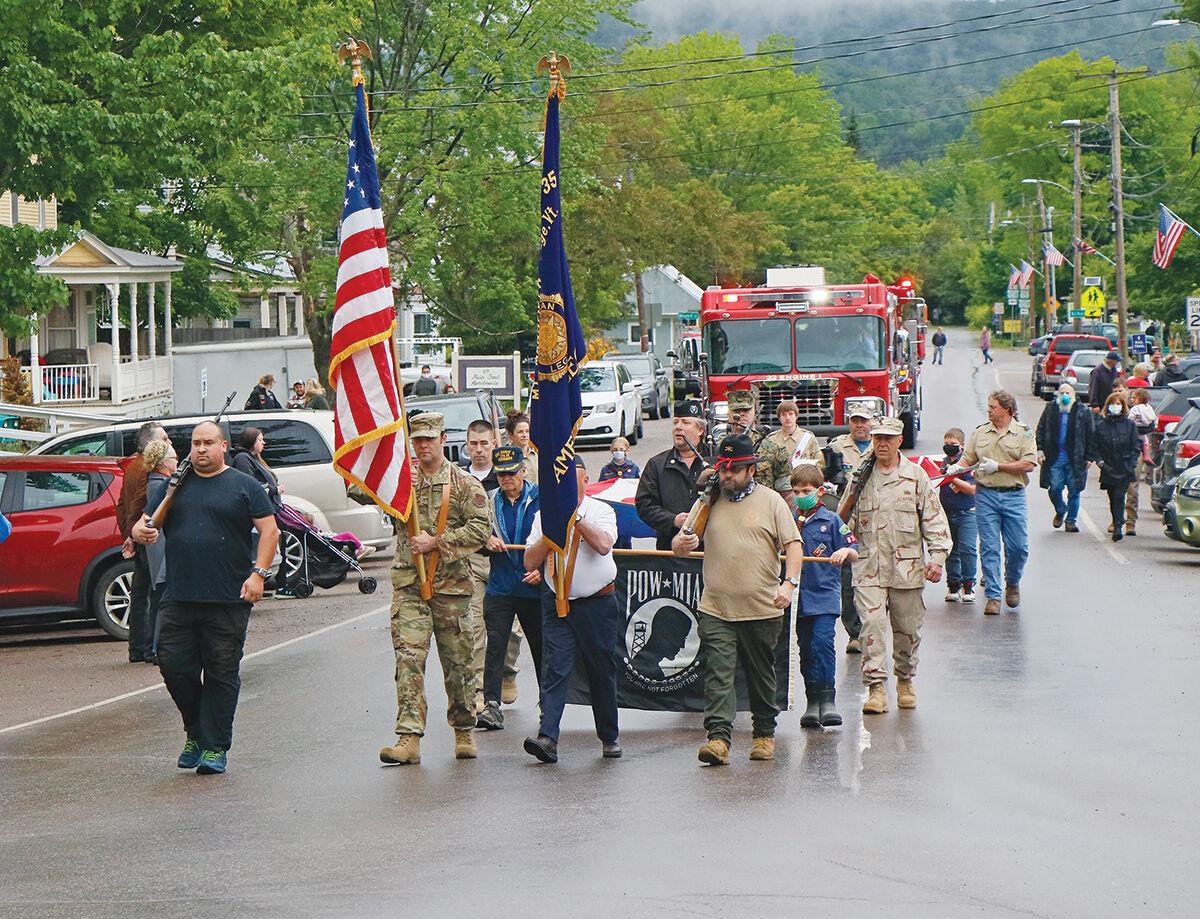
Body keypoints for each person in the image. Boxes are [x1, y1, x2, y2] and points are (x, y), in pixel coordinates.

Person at [132, 421, 279, 775]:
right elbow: (145, 523)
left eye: (208, 443)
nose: (200, 449)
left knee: (220, 671)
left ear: (223, 446)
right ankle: (196, 731)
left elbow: (270, 530)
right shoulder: (175, 485)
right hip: (179, 595)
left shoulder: (243, 486)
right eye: (195, 443)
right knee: (173, 665)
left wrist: (258, 574)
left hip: (229, 597)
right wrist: (140, 530)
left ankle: (214, 747)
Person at [672, 434, 802, 766]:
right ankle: (718, 739)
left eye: (734, 470)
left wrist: (789, 584)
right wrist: (681, 545)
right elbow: (682, 539)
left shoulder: (772, 501)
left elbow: (794, 546)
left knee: (760, 674)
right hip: (716, 607)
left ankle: (763, 734)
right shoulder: (708, 501)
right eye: (723, 469)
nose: (727, 476)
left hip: (762, 607)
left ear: (750, 471)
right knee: (718, 672)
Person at [378, 412, 489, 766]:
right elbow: (360, 486)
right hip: (410, 586)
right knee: (408, 658)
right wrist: (382, 471)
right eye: (417, 439)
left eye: (429, 438)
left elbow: (480, 529)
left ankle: (463, 728)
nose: (423, 445)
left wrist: (438, 542)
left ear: (442, 439)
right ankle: (408, 737)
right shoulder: (401, 483)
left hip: (451, 589)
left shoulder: (462, 483)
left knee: (458, 664)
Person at [848, 416, 951, 714]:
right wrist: (844, 545)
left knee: (907, 630)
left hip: (907, 570)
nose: (881, 443)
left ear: (899, 440)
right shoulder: (861, 477)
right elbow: (844, 521)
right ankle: (876, 687)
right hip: (868, 569)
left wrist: (937, 558)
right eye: (877, 437)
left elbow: (933, 520)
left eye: (888, 438)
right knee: (873, 626)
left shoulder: (915, 477)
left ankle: (905, 678)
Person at [523, 458, 622, 764]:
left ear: (585, 481)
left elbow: (604, 545)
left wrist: (575, 518)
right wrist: (550, 533)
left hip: (597, 602)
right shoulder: (544, 516)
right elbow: (529, 562)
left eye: (574, 481)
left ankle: (608, 736)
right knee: (555, 669)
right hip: (558, 602)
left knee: (600, 670)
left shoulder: (601, 510)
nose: (567, 487)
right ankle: (548, 737)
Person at [476, 447, 543, 732]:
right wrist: (486, 541)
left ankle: (548, 704)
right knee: (496, 646)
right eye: (501, 474)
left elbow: (555, 537)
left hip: (533, 585)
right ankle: (491, 705)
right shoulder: (488, 501)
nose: (507, 479)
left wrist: (544, 569)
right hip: (500, 586)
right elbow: (475, 533)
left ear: (523, 471)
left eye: (512, 473)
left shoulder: (540, 497)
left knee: (542, 649)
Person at [957, 391, 1038, 616]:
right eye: (989, 406)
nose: (989, 410)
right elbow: (968, 458)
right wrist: (957, 468)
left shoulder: (1024, 433)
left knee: (1018, 547)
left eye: (993, 407)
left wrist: (1000, 467)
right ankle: (993, 595)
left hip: (1014, 494)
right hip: (986, 495)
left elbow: (1029, 463)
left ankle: (1012, 581)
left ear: (1007, 409)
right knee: (990, 546)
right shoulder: (980, 432)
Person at [789, 463, 857, 729]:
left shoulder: (831, 521)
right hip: (796, 598)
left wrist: (843, 553)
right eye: (796, 491)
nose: (800, 495)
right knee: (805, 650)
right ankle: (812, 701)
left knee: (822, 645)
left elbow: (854, 548)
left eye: (805, 490)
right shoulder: (789, 520)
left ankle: (828, 699)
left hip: (824, 596)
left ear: (818, 492)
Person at [116, 421, 169, 664]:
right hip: (146, 537)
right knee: (152, 591)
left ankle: (137, 649)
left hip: (138, 536)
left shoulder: (132, 467)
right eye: (165, 439)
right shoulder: (146, 471)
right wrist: (133, 536)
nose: (169, 443)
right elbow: (138, 504)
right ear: (151, 445)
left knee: (139, 594)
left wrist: (128, 533)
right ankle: (149, 648)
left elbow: (122, 506)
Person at [825, 405, 876, 654]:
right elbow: (820, 477)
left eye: (864, 421)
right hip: (846, 519)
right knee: (847, 578)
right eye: (855, 421)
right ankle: (854, 633)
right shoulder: (836, 447)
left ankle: (873, 626)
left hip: (876, 520)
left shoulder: (881, 447)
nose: (859, 426)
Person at [636, 401, 710, 550]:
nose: (678, 427)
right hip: (670, 550)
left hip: (711, 550)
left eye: (685, 422)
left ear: (700, 430)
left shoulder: (716, 460)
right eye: (675, 422)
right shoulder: (657, 464)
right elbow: (644, 505)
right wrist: (673, 520)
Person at [460, 419, 498, 709]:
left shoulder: (505, 475)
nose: (479, 449)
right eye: (473, 443)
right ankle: (479, 693)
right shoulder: (459, 480)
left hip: (505, 562)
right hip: (472, 561)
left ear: (494, 444)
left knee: (509, 632)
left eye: (484, 443)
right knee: (474, 627)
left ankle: (507, 674)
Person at [1035, 383, 1093, 534]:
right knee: (1054, 488)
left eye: (1068, 393)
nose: (1065, 395)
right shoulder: (1051, 409)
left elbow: (1091, 435)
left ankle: (1071, 521)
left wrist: (1090, 457)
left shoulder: (1083, 411)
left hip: (1076, 459)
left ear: (1073, 394)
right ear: (1057, 395)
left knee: (1075, 490)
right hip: (1054, 458)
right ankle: (1061, 509)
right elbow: (1041, 429)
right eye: (1062, 393)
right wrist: (1040, 450)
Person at [141, 440, 178, 663]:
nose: (177, 461)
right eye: (173, 458)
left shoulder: (156, 481)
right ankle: (155, 648)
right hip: (161, 549)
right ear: (164, 463)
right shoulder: (159, 485)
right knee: (161, 600)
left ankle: (152, 647)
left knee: (158, 599)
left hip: (159, 548)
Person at [1090, 392, 1141, 542]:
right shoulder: (1101, 425)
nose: (1116, 407)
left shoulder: (1130, 425)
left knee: (1120, 495)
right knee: (1113, 497)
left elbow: (1135, 446)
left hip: (1124, 468)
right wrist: (1101, 463)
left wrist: (1131, 464)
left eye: (1119, 404)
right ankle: (1117, 519)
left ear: (1123, 407)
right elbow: (1095, 447)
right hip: (1108, 468)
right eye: (1113, 403)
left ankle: (1118, 526)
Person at [939, 428, 978, 602]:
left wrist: (951, 477)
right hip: (947, 512)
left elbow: (971, 489)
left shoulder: (968, 464)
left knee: (968, 549)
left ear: (962, 445)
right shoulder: (941, 463)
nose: (949, 448)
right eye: (946, 444)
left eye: (953, 445)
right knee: (951, 550)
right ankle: (953, 585)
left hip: (967, 513)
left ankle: (968, 585)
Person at [726, 389, 788, 491]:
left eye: (746, 410)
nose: (741, 414)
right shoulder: (717, 447)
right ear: (728, 414)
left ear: (755, 412)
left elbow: (787, 493)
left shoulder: (773, 449)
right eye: (736, 411)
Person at [763, 399, 824, 494]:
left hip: (805, 488)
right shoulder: (771, 440)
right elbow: (766, 469)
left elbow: (819, 464)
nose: (787, 418)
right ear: (779, 418)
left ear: (796, 416)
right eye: (783, 415)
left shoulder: (808, 437)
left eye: (791, 414)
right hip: (781, 491)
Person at [1127, 389, 1158, 537]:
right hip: (1123, 451)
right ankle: (1117, 519)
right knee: (1117, 488)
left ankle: (1130, 522)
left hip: (1136, 449)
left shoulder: (1135, 411)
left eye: (1135, 397)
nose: (1132, 400)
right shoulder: (1141, 410)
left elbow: (1149, 425)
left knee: (1132, 486)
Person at [506, 410, 537, 486]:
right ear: (511, 435)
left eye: (527, 431)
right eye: (520, 432)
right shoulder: (506, 457)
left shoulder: (535, 455)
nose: (525, 435)